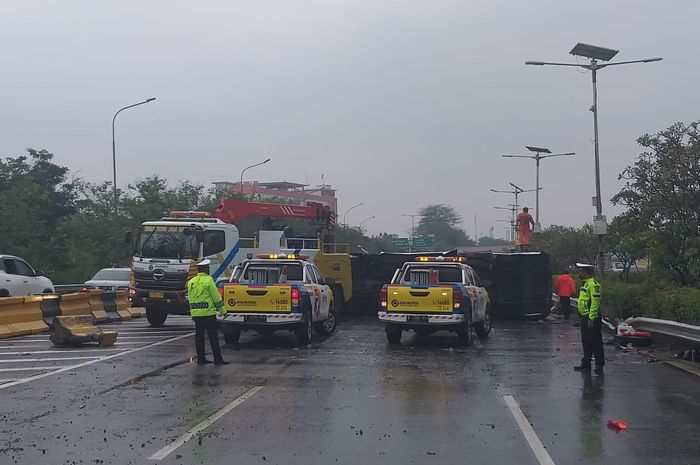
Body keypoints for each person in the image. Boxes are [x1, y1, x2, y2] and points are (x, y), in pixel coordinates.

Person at [187, 259, 229, 365]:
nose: (209, 269)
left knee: (199, 337)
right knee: (213, 337)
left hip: (196, 314)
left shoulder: (191, 282)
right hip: (208, 314)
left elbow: (190, 298)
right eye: (208, 268)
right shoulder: (209, 280)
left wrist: (193, 312)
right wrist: (223, 311)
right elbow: (217, 298)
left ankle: (201, 359)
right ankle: (218, 359)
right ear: (206, 269)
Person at [574, 263, 603, 374]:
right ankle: (586, 363)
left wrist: (591, 319)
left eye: (580, 271)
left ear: (586, 272)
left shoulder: (593, 285)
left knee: (596, 342)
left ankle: (599, 365)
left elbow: (595, 303)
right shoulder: (585, 284)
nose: (579, 273)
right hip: (585, 317)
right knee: (586, 342)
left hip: (592, 318)